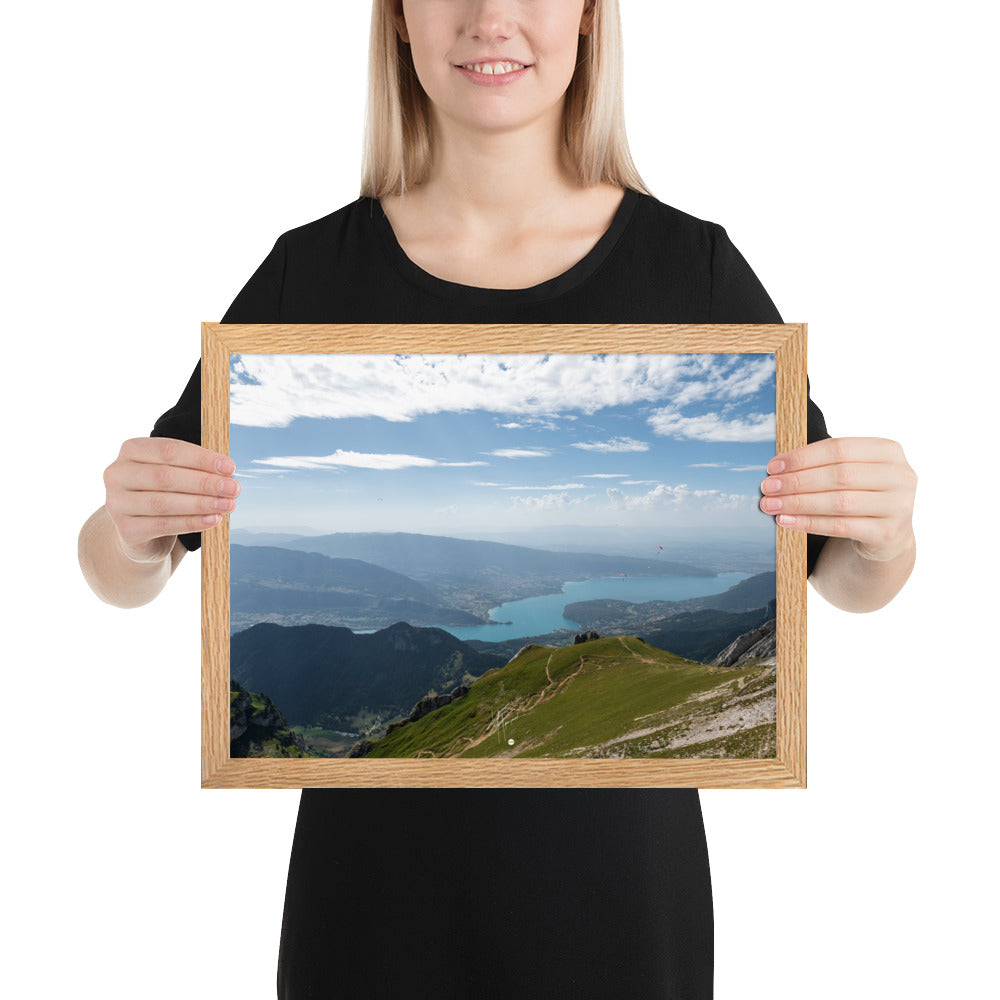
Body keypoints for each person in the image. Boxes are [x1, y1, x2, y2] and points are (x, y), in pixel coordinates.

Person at [78, 1, 917, 996]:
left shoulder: (691, 268)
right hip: (370, 895)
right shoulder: (311, 272)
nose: (491, 18)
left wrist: (884, 531)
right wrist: (130, 530)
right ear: (396, 19)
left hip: (618, 894)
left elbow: (845, 577)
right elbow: (120, 568)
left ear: (591, 18)